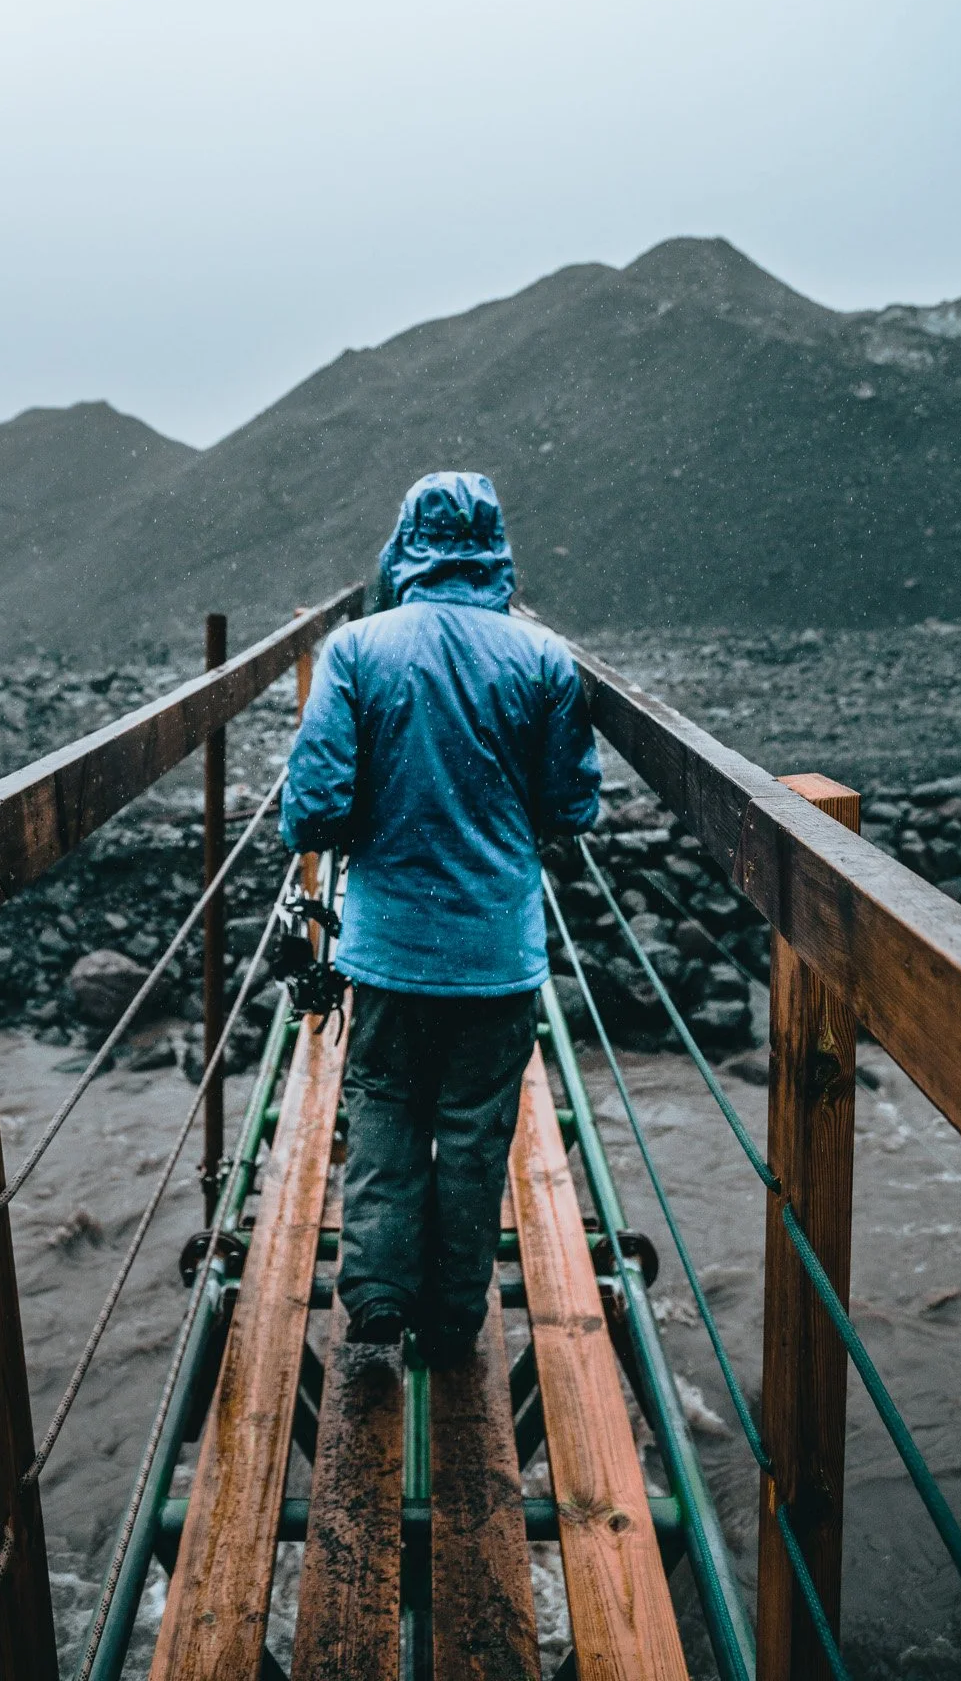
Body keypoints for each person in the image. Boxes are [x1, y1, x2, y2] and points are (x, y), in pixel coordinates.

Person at [280, 470, 602, 1365]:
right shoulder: (543, 658)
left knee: (382, 1112)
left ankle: (377, 1306)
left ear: (404, 544)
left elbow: (313, 805)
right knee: (472, 1135)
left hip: (387, 950)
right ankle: (455, 1322)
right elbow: (572, 804)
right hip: (497, 951)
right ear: (495, 546)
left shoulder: (355, 649)